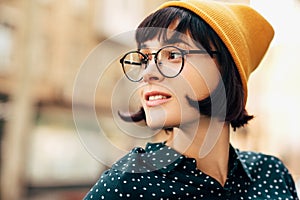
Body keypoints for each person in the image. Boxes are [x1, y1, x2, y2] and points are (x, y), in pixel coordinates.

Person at [84, 0, 299, 199]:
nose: (148, 73)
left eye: (173, 55)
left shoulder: (272, 175)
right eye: (144, 58)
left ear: (225, 67)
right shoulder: (124, 186)